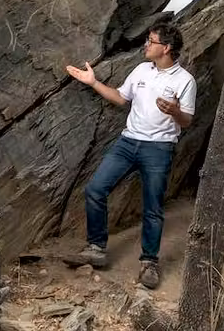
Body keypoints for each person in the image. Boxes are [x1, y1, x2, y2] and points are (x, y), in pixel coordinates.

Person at [62, 22, 196, 290]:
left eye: (151, 41)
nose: (146, 45)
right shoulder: (141, 70)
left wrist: (174, 112)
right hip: (128, 142)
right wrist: (93, 82)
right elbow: (121, 98)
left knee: (153, 207)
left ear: (166, 48)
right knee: (95, 189)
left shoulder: (185, 81)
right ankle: (96, 248)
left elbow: (187, 121)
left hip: (159, 148)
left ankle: (149, 263)